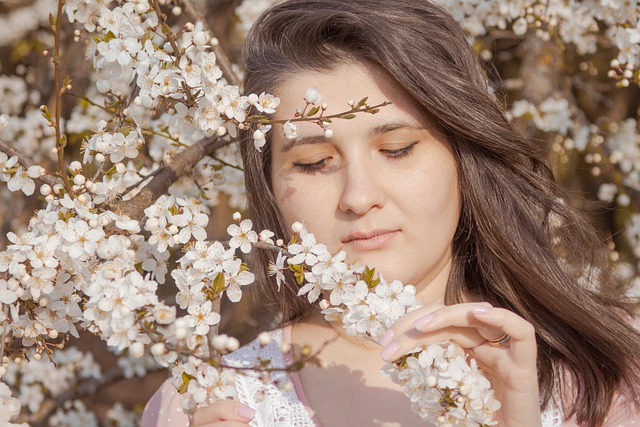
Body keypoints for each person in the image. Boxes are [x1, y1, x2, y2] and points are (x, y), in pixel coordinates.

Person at [142, 0, 640, 426]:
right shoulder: (203, 402)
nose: (358, 196)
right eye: (314, 163)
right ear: (270, 184)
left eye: (398, 148)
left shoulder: (607, 369)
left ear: (463, 156)